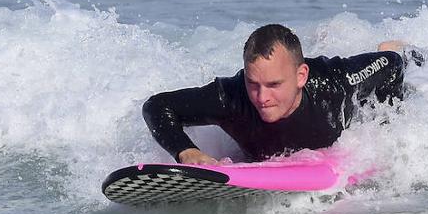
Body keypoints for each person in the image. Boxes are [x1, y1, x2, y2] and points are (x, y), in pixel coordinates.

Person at [143, 23, 409, 164]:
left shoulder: (335, 83)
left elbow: (390, 64)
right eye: (253, 84)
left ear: (301, 77)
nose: (262, 97)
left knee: (408, 57)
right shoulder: (231, 97)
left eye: (274, 85)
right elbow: (157, 106)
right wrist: (186, 151)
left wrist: (385, 125)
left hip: (376, 63)